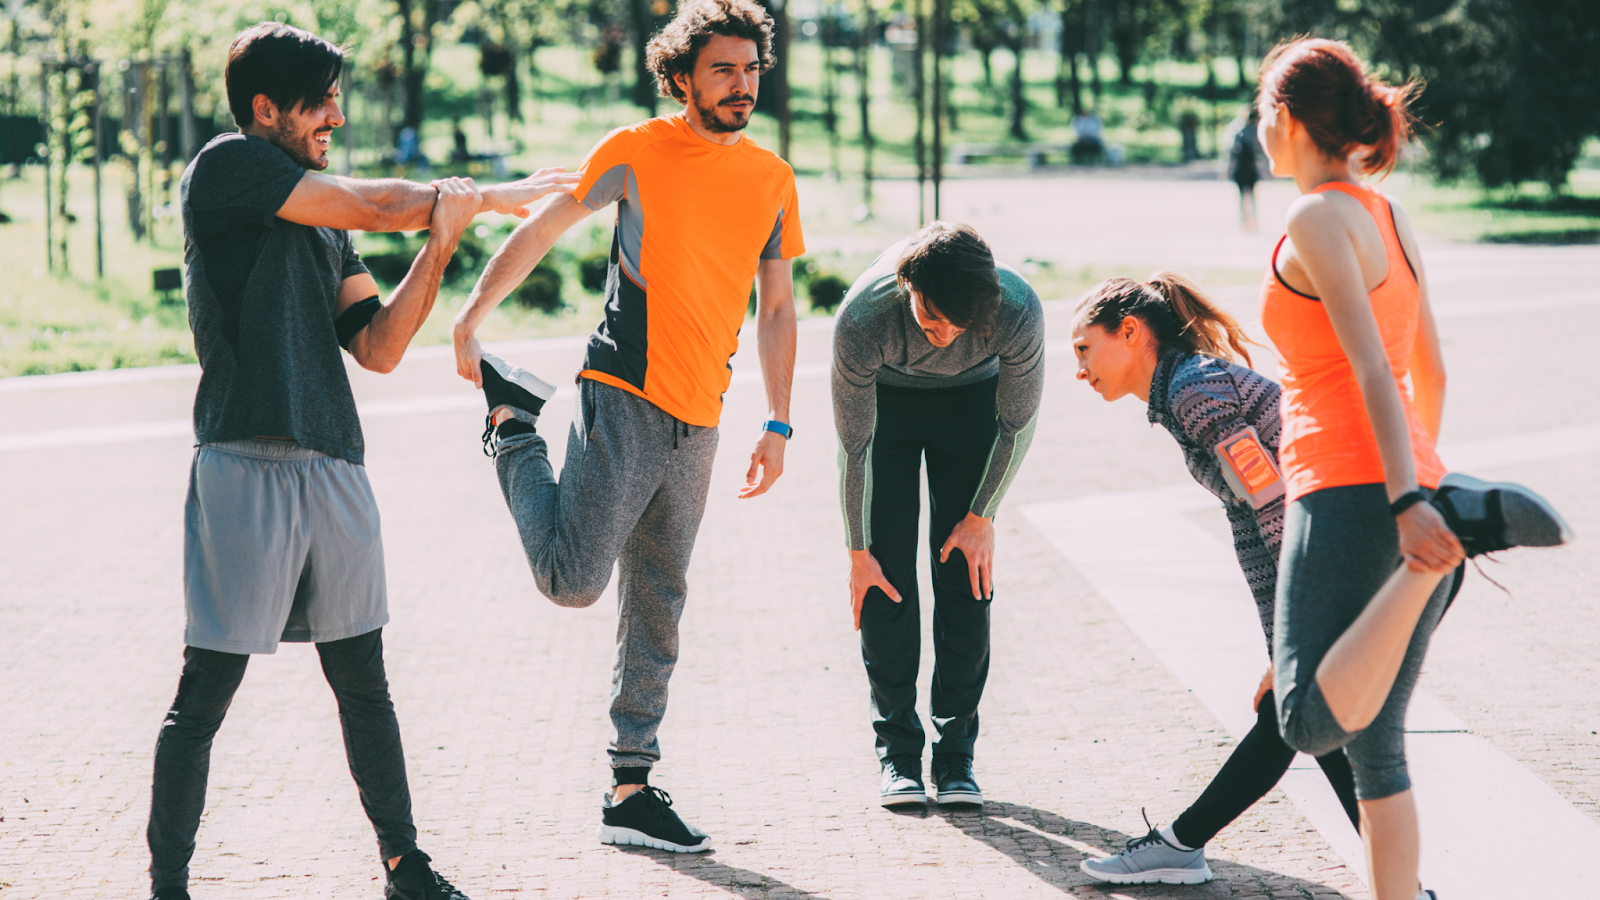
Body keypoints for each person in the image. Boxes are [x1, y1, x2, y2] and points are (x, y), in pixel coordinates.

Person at [148, 23, 576, 900]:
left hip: (335, 463)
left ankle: (404, 866)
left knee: (363, 681)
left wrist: (443, 242)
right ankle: (169, 884)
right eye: (320, 101)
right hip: (243, 456)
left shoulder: (324, 225)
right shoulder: (227, 168)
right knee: (207, 690)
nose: (336, 115)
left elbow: (377, 347)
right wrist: (489, 196)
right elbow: (380, 204)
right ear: (265, 110)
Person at [449, 0, 803, 855]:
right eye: (723, 70)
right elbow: (545, 226)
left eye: (752, 69)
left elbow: (779, 306)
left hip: (702, 417)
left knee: (660, 600)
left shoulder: (771, 177)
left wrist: (780, 421)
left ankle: (630, 785)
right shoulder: (637, 151)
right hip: (626, 389)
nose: (742, 85)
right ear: (681, 77)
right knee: (573, 581)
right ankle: (513, 427)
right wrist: (470, 318)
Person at [1256, 38, 1570, 900]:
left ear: (1284, 118)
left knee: (1306, 719)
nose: (1259, 131)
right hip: (1409, 486)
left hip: (1353, 489)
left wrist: (1410, 511)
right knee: (1377, 748)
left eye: (1261, 114)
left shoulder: (1314, 218)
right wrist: (1423, 487)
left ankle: (1458, 536)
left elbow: (1366, 369)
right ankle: (1452, 531)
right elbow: (1427, 369)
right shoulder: (1387, 217)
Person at [1067, 272, 1362, 885]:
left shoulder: (1194, 391)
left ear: (1129, 332)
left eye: (1084, 349)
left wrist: (1296, 633)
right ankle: (1396, 872)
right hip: (1335, 543)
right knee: (1306, 713)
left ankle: (1179, 846)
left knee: (1301, 707)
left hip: (1348, 538)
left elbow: (1272, 501)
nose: (1080, 369)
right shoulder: (1184, 389)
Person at [832, 223, 1044, 808]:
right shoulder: (863, 319)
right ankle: (898, 755)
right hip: (888, 408)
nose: (945, 335)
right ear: (906, 287)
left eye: (960, 323)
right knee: (885, 576)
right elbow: (855, 446)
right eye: (931, 320)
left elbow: (1016, 424)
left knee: (965, 577)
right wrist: (857, 550)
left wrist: (983, 515)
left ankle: (955, 759)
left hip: (973, 407)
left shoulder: (1017, 308)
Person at [1228, 105, 1263, 231]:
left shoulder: (1238, 132)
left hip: (1241, 168)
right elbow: (1260, 152)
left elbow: (1232, 152)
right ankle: (1253, 220)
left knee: (1242, 197)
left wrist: (1229, 169)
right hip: (1251, 168)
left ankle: (1244, 221)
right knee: (1252, 196)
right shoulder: (1256, 132)